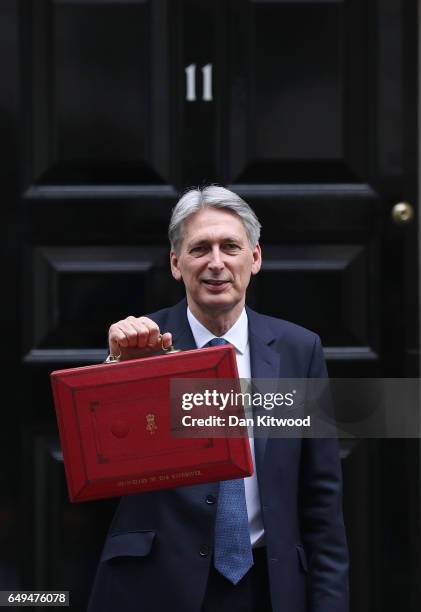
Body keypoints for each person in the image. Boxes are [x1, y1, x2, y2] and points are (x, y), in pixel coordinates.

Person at [88, 186, 349, 612]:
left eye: (230, 246)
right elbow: (102, 464)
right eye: (199, 249)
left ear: (255, 258)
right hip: (158, 588)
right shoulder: (141, 343)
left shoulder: (297, 350)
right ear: (176, 263)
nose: (216, 263)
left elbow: (321, 499)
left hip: (269, 587)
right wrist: (119, 369)